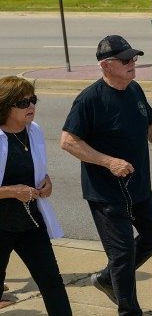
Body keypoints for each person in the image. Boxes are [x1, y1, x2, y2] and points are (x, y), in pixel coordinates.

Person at [60, 35, 152, 316]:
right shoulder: (90, 100)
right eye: (125, 60)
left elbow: (149, 124)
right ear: (106, 65)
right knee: (122, 254)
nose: (132, 63)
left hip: (137, 186)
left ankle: (105, 279)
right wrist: (108, 161)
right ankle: (129, 310)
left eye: (134, 58)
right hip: (107, 193)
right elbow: (68, 141)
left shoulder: (134, 89)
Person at [0, 76, 71, 315]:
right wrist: (11, 192)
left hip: (31, 222)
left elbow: (36, 169)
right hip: (1, 225)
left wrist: (46, 182)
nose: (31, 106)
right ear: (4, 106)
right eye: (22, 103)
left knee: (52, 281)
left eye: (33, 100)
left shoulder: (34, 131)